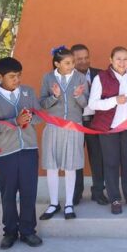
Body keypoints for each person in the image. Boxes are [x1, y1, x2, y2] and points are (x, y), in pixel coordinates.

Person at [0, 57, 43, 249]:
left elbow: (39, 116)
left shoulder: (28, 92)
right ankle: (9, 232)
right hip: (6, 153)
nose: (17, 80)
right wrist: (14, 121)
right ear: (0, 77)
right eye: (12, 76)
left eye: (19, 75)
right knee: (8, 194)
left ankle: (27, 231)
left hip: (29, 150)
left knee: (29, 192)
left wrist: (29, 118)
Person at [88, 46, 127, 215]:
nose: (122, 62)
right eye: (118, 59)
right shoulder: (101, 77)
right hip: (108, 128)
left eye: (125, 59)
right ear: (110, 60)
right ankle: (115, 198)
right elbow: (92, 104)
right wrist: (114, 100)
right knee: (111, 163)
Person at [38, 47, 88, 220]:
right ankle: (53, 203)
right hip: (53, 127)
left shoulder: (80, 77)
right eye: (67, 63)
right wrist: (55, 96)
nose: (72, 65)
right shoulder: (48, 78)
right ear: (57, 63)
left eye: (73, 62)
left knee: (70, 166)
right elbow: (42, 103)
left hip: (74, 127)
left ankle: (68, 204)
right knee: (52, 166)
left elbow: (85, 103)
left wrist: (78, 96)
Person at [71, 44, 107, 206]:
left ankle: (98, 192)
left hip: (95, 123)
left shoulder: (100, 74)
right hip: (76, 123)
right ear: (72, 60)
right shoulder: (67, 77)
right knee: (76, 158)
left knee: (98, 158)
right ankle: (76, 193)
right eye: (79, 59)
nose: (84, 61)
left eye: (86, 57)